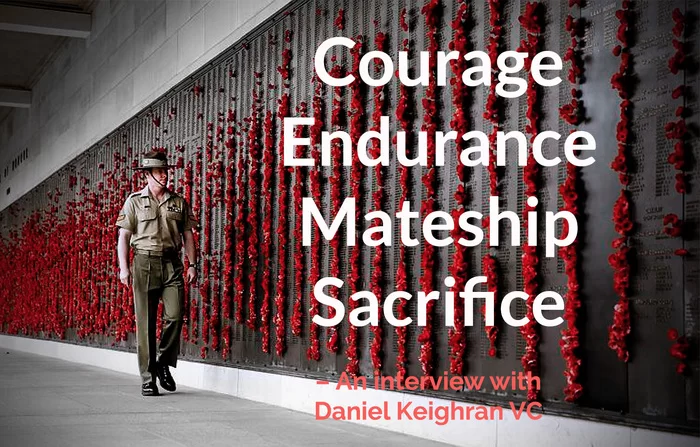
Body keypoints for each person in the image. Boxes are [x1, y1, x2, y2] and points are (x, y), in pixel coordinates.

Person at [116, 150, 197, 396]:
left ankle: (163, 363)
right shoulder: (134, 201)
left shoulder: (179, 202)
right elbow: (124, 236)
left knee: (175, 315)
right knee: (146, 323)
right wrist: (124, 268)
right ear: (148, 175)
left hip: (172, 264)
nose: (165, 175)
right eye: (160, 171)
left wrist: (192, 264)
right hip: (144, 264)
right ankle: (148, 378)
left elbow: (188, 236)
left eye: (166, 171)